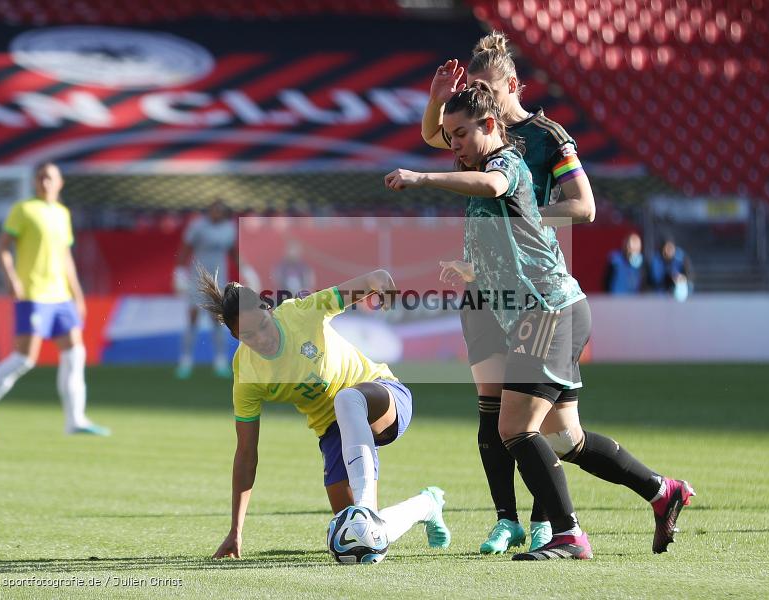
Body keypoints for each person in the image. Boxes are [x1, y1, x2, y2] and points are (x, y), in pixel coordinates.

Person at [386, 82, 694, 560]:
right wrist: (473, 268)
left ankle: (568, 535)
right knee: (565, 439)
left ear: (491, 126)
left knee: (513, 428)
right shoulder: (477, 161)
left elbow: (494, 186)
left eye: (462, 134)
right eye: (450, 137)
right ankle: (661, 490)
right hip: (555, 309)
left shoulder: (504, 163)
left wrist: (421, 178)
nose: (454, 146)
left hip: (547, 311)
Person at [422, 31, 596, 553]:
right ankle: (508, 518)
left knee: (535, 419)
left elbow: (584, 207)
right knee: (492, 408)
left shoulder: (546, 137)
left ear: (511, 85)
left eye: (484, 87)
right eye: (469, 87)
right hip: (484, 287)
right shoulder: (474, 139)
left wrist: (523, 218)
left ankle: (551, 521)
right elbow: (437, 136)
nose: (477, 95)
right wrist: (435, 100)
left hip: (533, 288)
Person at [199, 267, 451, 559]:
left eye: (263, 326)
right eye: (248, 335)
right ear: (234, 335)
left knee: (347, 399)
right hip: (333, 431)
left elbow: (369, 280)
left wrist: (380, 281)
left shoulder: (300, 312)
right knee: (363, 542)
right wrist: (235, 530)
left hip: (382, 398)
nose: (261, 339)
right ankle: (427, 505)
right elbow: (245, 454)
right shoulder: (247, 373)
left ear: (268, 308)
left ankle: (366, 507)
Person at [0, 163, 109, 440]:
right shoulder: (24, 209)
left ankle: (75, 419)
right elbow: (2, 247)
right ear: (34, 182)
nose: (45, 182)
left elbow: (66, 257)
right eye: (40, 177)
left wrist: (77, 294)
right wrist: (11, 279)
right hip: (34, 294)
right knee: (23, 358)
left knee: (75, 354)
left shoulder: (62, 214)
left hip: (61, 296)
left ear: (60, 182)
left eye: (50, 177)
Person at [174, 199, 259, 379]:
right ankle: (186, 360)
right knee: (193, 317)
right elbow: (185, 249)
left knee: (219, 318)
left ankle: (220, 361)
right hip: (198, 276)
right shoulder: (197, 226)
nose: (217, 213)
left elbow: (233, 252)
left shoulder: (229, 229)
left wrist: (246, 270)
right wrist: (179, 271)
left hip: (218, 278)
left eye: (220, 211)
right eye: (214, 210)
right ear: (209, 211)